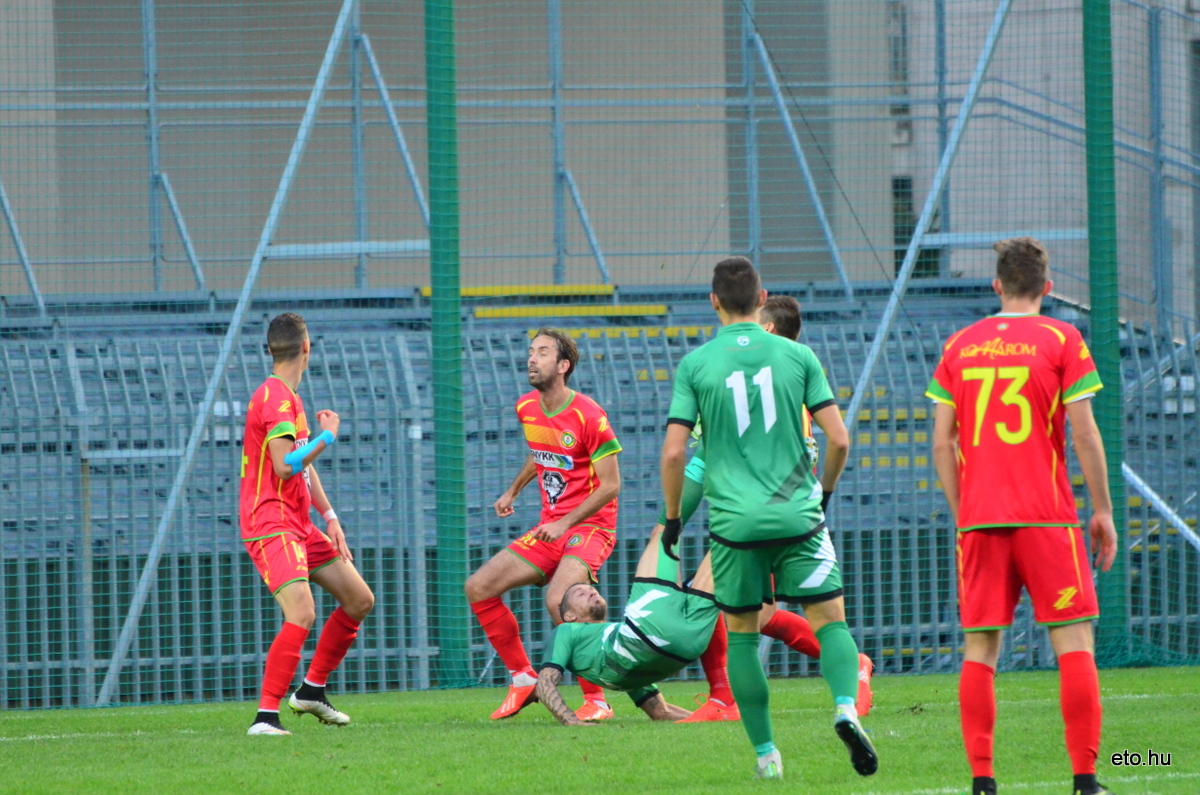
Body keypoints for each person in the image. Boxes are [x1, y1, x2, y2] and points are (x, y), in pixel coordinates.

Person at [662, 257, 876, 781]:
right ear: (761, 300)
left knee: (740, 636)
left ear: (713, 302)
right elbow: (839, 439)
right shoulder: (798, 356)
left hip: (734, 526)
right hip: (798, 517)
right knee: (830, 621)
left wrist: (672, 520)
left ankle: (767, 757)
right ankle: (845, 706)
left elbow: (674, 453)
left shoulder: (696, 364)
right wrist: (824, 494)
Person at [926, 237, 1118, 795]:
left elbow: (941, 444)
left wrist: (964, 512)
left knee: (981, 648)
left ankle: (983, 782)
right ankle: (1085, 780)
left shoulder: (959, 344)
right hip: (1047, 518)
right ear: (1047, 288)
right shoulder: (1063, 339)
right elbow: (1084, 432)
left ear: (997, 286)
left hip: (981, 520)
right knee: (1073, 642)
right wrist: (1103, 510)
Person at [465, 328, 622, 721]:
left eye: (543, 353)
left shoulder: (589, 414)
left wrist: (565, 522)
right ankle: (522, 679)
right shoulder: (526, 407)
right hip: (551, 528)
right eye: (531, 351)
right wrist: (513, 491)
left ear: (563, 365)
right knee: (479, 587)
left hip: (591, 528)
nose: (532, 359)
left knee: (559, 600)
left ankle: (597, 700)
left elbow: (611, 485)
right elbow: (541, 452)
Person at [240, 313, 375, 736]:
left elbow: (301, 466)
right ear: (306, 347)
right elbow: (285, 466)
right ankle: (265, 717)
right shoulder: (277, 399)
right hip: (271, 521)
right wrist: (327, 437)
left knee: (358, 599)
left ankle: (312, 690)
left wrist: (330, 517)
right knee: (301, 611)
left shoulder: (287, 396)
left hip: (297, 521)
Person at [538, 526, 790, 725]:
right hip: (652, 634)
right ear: (568, 615)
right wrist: (571, 721)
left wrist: (704, 722)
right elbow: (545, 683)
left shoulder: (620, 664)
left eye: (591, 589)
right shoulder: (566, 631)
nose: (591, 591)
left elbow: (660, 712)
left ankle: (722, 706)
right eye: (580, 593)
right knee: (668, 533)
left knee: (727, 555)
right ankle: (762, 523)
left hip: (682, 647)